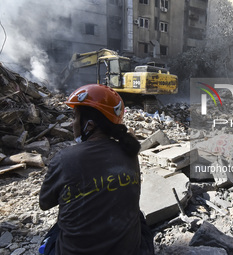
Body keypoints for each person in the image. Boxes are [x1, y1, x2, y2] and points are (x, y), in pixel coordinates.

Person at [39, 84, 154, 255]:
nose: (72, 124)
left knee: (55, 232)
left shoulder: (64, 159)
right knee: (138, 216)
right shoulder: (129, 152)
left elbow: (45, 203)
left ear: (89, 125)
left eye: (75, 117)